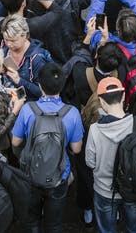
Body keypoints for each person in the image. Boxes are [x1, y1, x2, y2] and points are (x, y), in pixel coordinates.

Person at [11, 62, 84, 233]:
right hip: (59, 176)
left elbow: (15, 142)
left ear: (39, 85)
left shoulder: (28, 109)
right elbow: (77, 149)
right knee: (54, 224)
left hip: (31, 174)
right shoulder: (71, 112)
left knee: (31, 221)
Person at [85, 76, 136, 233]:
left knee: (106, 230)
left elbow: (90, 162)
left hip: (104, 191)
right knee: (135, 229)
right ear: (123, 96)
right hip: (135, 189)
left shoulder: (95, 130)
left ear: (101, 102)